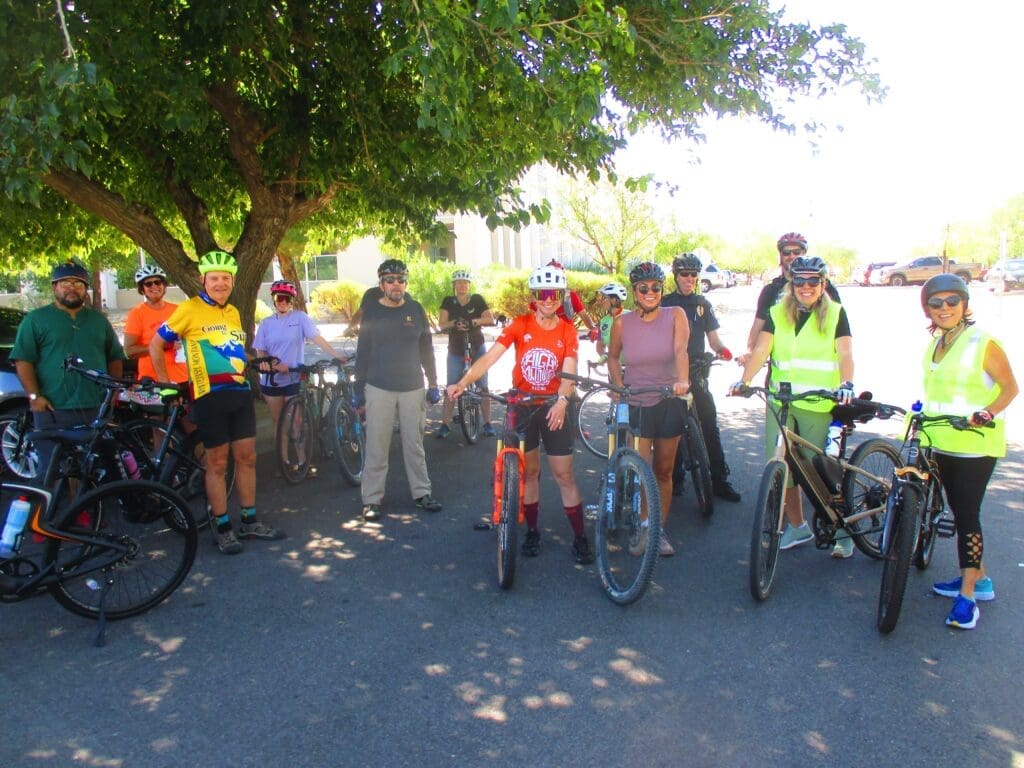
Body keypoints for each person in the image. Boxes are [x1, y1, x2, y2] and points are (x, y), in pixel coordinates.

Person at [447, 264, 595, 565]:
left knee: (564, 475)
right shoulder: (520, 324)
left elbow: (569, 370)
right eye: (543, 294)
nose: (549, 299)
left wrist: (563, 401)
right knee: (528, 472)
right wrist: (462, 382)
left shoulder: (567, 329)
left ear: (562, 296)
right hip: (523, 405)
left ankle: (580, 537)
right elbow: (490, 356)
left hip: (554, 406)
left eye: (554, 294)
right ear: (535, 297)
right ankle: (532, 531)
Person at [150, 250, 285, 554]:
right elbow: (157, 344)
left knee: (247, 457)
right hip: (208, 397)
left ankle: (249, 521)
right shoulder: (189, 309)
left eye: (226, 278)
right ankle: (222, 526)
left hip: (238, 394)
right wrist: (165, 386)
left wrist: (258, 361)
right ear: (203, 280)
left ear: (233, 281)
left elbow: (233, 351)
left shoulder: (234, 312)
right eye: (215, 278)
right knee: (217, 462)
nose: (221, 283)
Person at [729, 257, 857, 558]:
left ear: (823, 284)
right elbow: (762, 349)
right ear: (792, 285)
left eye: (813, 281)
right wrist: (745, 380)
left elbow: (845, 352)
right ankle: (798, 526)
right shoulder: (777, 312)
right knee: (781, 466)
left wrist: (847, 383)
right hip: (781, 402)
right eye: (800, 281)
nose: (806, 287)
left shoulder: (836, 313)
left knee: (817, 470)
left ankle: (842, 529)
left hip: (817, 402)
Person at [918, 274, 1018, 630]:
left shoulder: (982, 342)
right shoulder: (938, 343)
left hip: (974, 446)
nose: (944, 308)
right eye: (936, 302)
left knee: (967, 516)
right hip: (942, 441)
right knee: (959, 512)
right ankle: (981, 579)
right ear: (926, 308)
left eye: (951, 301)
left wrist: (987, 413)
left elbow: (1009, 387)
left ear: (964, 304)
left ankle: (968, 598)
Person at [11, 260, 125, 479]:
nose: (72, 287)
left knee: (93, 470)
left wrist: (113, 392)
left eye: (78, 283)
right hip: (53, 409)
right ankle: (52, 513)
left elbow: (114, 358)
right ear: (55, 287)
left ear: (85, 289)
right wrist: (35, 396)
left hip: (94, 407)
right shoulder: (35, 320)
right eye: (65, 283)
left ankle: (86, 511)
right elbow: (23, 360)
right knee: (52, 472)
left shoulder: (98, 321)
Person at [607, 262, 689, 557]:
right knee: (641, 470)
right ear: (634, 292)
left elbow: (681, 351)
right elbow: (613, 357)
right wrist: (619, 387)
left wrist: (683, 380)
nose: (650, 292)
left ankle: (655, 529)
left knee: (664, 470)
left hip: (669, 399)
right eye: (644, 288)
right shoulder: (622, 323)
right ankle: (642, 523)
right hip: (638, 400)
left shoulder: (675, 315)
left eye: (656, 287)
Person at [355, 259, 443, 521]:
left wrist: (434, 383)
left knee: (414, 444)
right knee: (376, 446)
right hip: (378, 386)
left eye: (401, 280)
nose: (396, 284)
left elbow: (426, 348)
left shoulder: (416, 310)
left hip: (412, 387)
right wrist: (358, 388)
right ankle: (371, 500)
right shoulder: (372, 311)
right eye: (391, 280)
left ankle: (422, 493)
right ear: (381, 284)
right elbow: (363, 351)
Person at [661, 254, 742, 501]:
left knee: (709, 426)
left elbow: (714, 339)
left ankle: (719, 480)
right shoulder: (665, 303)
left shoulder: (702, 304)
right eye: (684, 274)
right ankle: (674, 480)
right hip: (671, 374)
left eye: (693, 275)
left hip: (696, 372)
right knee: (671, 428)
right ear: (676, 276)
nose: (689, 279)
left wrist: (723, 351)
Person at [254, 279, 346, 451]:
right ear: (273, 299)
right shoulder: (266, 323)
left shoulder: (300, 318)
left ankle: (302, 460)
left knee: (297, 420)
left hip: (294, 377)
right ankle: (283, 461)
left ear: (292, 301)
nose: (283, 302)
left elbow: (317, 338)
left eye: (287, 299)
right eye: (279, 298)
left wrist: (337, 355)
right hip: (271, 379)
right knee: (279, 421)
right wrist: (272, 364)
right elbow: (261, 352)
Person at [739, 232, 842, 364]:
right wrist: (750, 352)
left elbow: (839, 327)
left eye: (796, 252)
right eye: (786, 252)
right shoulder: (771, 290)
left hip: (820, 369)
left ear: (804, 253)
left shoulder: (825, 287)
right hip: (781, 370)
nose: (791, 256)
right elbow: (758, 325)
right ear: (780, 256)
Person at [435, 270, 496, 438]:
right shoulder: (449, 301)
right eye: (458, 283)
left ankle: (488, 423)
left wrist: (472, 322)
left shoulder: (477, 299)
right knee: (451, 385)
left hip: (476, 345)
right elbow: (441, 324)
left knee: (483, 384)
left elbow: (489, 319)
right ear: (454, 285)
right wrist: (455, 323)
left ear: (469, 285)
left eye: (465, 283)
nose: (462, 285)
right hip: (456, 347)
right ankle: (445, 424)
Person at [528, 260, 597, 335]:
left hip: (567, 337)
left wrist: (593, 328)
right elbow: (532, 317)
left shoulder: (571, 295)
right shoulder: (538, 297)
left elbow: (583, 315)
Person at [594, 282, 627, 362]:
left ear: (614, 300)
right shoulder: (602, 322)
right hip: (614, 369)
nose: (600, 301)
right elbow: (600, 345)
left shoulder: (631, 317)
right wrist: (604, 356)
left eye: (603, 298)